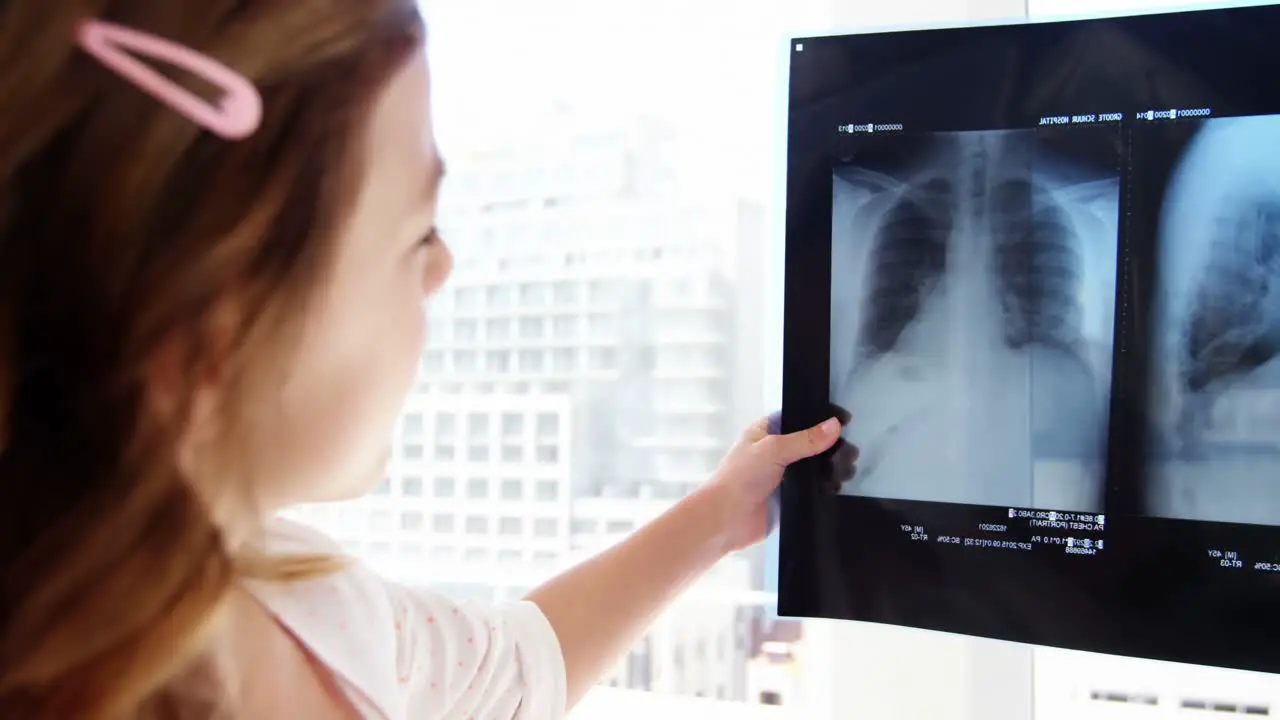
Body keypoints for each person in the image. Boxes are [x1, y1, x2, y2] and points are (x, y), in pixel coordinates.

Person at [0, 2, 851, 718]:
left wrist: (722, 514)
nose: (442, 269)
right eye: (418, 232)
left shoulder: (312, 603)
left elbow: (515, 669)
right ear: (215, 320)